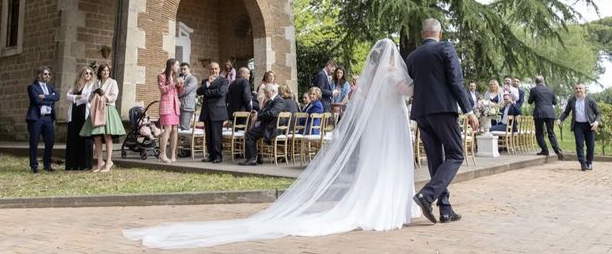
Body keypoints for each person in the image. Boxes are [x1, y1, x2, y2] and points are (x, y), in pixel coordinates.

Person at [125, 39, 419, 248]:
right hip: (389, 133)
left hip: (377, 133)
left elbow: (361, 102)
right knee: (388, 163)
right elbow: (407, 91)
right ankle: (388, 204)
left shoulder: (367, 83)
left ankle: (377, 201)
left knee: (378, 163)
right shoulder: (393, 77)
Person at [407, 18, 478, 224]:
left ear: (423, 34)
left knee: (436, 159)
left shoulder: (412, 56)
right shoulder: (445, 48)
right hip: (443, 110)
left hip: (421, 112)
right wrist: (469, 110)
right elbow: (456, 81)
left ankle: (445, 208)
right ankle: (427, 196)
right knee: (456, 154)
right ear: (441, 33)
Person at [79, 63, 126, 172]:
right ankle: (100, 162)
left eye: (107, 71)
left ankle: (109, 161)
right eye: (104, 71)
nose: (106, 73)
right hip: (96, 110)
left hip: (108, 110)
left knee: (107, 136)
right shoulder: (96, 83)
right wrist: (95, 94)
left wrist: (104, 96)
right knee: (96, 137)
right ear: (100, 72)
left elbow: (114, 96)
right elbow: (90, 97)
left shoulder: (113, 82)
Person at [239, 83, 285, 166]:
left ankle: (252, 158)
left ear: (273, 91)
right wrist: (257, 113)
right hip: (267, 126)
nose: (265, 94)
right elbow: (264, 111)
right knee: (251, 132)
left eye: (267, 92)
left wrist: (258, 117)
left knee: (249, 134)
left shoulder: (279, 100)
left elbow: (271, 113)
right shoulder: (270, 100)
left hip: (273, 128)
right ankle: (256, 156)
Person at [559, 83, 601, 171]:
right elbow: (566, 112)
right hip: (578, 125)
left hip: (590, 125)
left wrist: (596, 123)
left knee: (590, 145)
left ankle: (589, 163)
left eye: (580, 88)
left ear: (584, 90)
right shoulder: (572, 100)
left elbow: (598, 113)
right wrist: (560, 119)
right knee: (579, 144)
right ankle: (582, 163)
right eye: (577, 89)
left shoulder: (590, 100)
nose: (578, 90)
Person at [26, 66, 60, 173]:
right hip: (36, 118)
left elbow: (57, 97)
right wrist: (50, 98)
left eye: (49, 74)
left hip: (48, 118)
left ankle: (47, 164)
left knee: (50, 141)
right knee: (34, 142)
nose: (47, 76)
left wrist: (44, 97)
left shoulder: (50, 87)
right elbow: (36, 100)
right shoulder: (32, 87)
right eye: (45, 74)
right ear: (39, 75)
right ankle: (34, 166)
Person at [197, 62, 229, 163]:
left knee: (216, 135)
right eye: (212, 69)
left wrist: (207, 92)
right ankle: (211, 155)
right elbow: (198, 92)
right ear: (209, 70)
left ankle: (218, 156)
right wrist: (207, 84)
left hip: (218, 111)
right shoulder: (205, 81)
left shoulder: (224, 81)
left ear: (219, 69)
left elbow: (221, 92)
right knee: (209, 135)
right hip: (207, 111)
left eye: (216, 69)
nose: (214, 71)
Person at [64, 66, 95, 171]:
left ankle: (85, 164)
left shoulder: (92, 86)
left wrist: (76, 98)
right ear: (82, 74)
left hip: (84, 112)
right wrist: (77, 97)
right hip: (74, 113)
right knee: (74, 137)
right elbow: (67, 95)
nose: (88, 75)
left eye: (90, 73)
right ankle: (73, 164)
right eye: (86, 73)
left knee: (85, 138)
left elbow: (88, 98)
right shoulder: (77, 85)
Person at [528, 75, 563, 160]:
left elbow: (530, 101)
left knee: (539, 132)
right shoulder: (550, 90)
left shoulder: (534, 90)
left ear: (535, 82)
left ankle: (545, 150)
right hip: (550, 113)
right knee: (551, 132)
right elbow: (554, 102)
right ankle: (557, 150)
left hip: (539, 113)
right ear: (543, 81)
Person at [158, 58, 185, 163]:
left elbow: (180, 92)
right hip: (166, 105)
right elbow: (163, 90)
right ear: (171, 65)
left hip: (175, 106)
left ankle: (173, 155)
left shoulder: (175, 77)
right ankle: (162, 154)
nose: (178, 68)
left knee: (174, 129)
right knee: (167, 129)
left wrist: (181, 85)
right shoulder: (161, 76)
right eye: (177, 65)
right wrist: (174, 83)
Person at [178, 62, 198, 131]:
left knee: (185, 128)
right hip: (179, 106)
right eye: (181, 69)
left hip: (187, 107)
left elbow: (186, 91)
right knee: (180, 128)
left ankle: (188, 142)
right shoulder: (180, 78)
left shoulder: (193, 79)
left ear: (189, 69)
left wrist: (174, 94)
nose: (183, 71)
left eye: (184, 69)